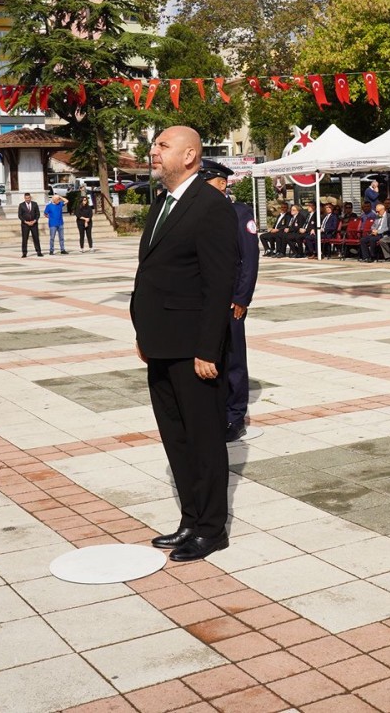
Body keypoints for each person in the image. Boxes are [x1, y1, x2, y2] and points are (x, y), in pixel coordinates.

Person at [131, 126, 237, 562]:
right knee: (175, 437)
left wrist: (208, 350)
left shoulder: (211, 206)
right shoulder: (163, 202)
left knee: (204, 439)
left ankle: (212, 529)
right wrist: (142, 332)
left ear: (191, 155)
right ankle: (190, 520)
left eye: (163, 146)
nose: (153, 151)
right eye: (154, 144)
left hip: (195, 349)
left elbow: (218, 285)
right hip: (160, 342)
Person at [197, 161, 259, 442]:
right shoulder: (199, 213)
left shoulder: (239, 212)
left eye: (205, 181)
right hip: (204, 300)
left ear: (221, 184)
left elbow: (249, 258)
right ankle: (213, 410)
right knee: (209, 355)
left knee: (233, 358)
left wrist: (242, 297)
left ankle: (235, 416)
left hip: (231, 300)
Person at [18, 192, 43, 257]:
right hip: (25, 225)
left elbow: (38, 214)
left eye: (28, 198)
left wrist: (34, 221)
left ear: (30, 197)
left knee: (36, 238)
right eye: (26, 198)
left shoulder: (35, 204)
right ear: (24, 198)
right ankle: (24, 252)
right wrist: (26, 222)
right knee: (24, 239)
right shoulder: (21, 205)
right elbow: (20, 215)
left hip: (34, 224)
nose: (28, 199)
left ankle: (39, 252)